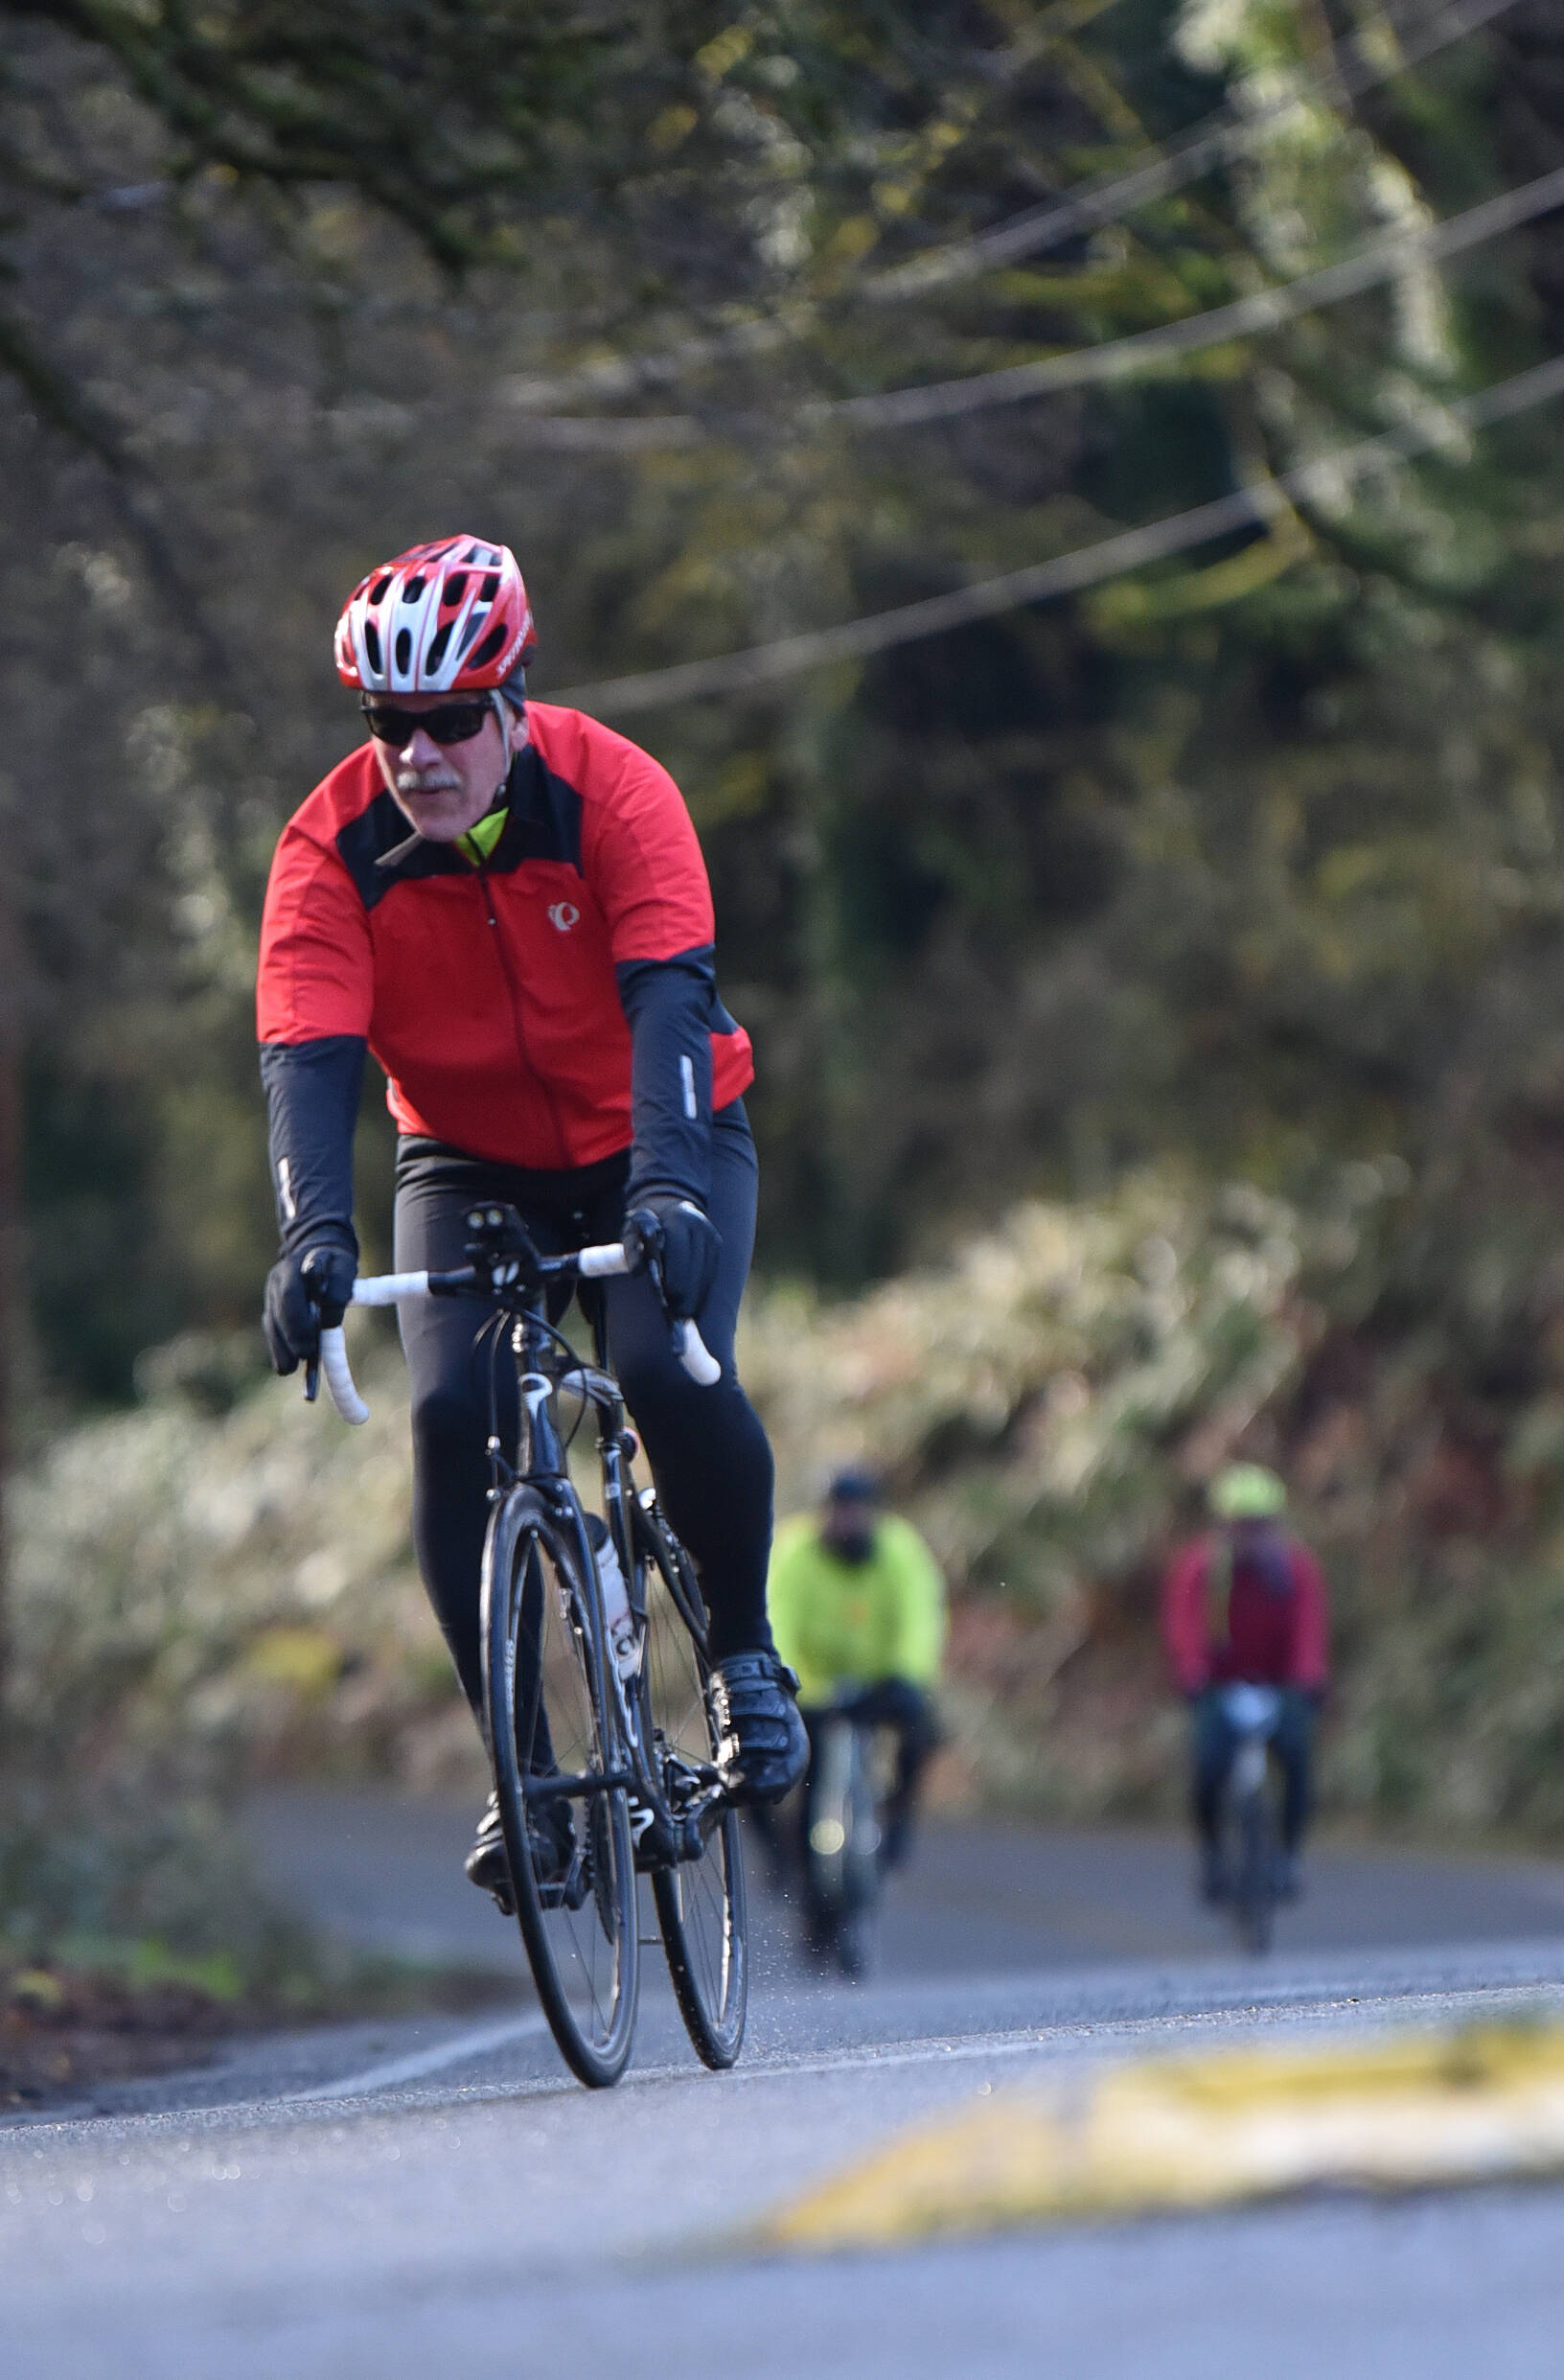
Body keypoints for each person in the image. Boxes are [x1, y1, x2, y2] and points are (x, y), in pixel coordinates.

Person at [255, 535, 807, 1904]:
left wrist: (672, 1181)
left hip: (657, 1133)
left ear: (510, 705)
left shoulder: (616, 789)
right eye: (392, 726)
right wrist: (316, 1234)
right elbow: (306, 1058)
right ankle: (528, 1780)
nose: (420, 755)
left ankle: (741, 1651)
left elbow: (673, 997)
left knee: (662, 1364)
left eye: (450, 721)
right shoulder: (330, 848)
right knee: (454, 1422)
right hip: (462, 1157)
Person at [1160, 1464, 1329, 1905]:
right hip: (1219, 1685)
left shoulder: (1295, 1569)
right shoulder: (1200, 1567)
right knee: (1209, 1768)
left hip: (1278, 1683)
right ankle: (1213, 1855)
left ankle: (1289, 1855)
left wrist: (1308, 1678)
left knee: (1297, 1760)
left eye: (1261, 1525)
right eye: (1243, 1525)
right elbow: (1186, 1625)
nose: (1252, 1535)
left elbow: (1309, 1628)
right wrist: (1192, 1673)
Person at [767, 1468, 947, 1881]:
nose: (847, 1521)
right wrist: (791, 1685)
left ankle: (898, 1820)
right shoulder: (795, 1552)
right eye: (838, 1511)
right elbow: (778, 1621)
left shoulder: (901, 1551)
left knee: (920, 1733)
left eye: (856, 1511)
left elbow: (921, 1620)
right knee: (781, 1767)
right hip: (811, 1689)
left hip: (881, 1683)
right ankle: (791, 1863)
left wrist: (907, 1675)